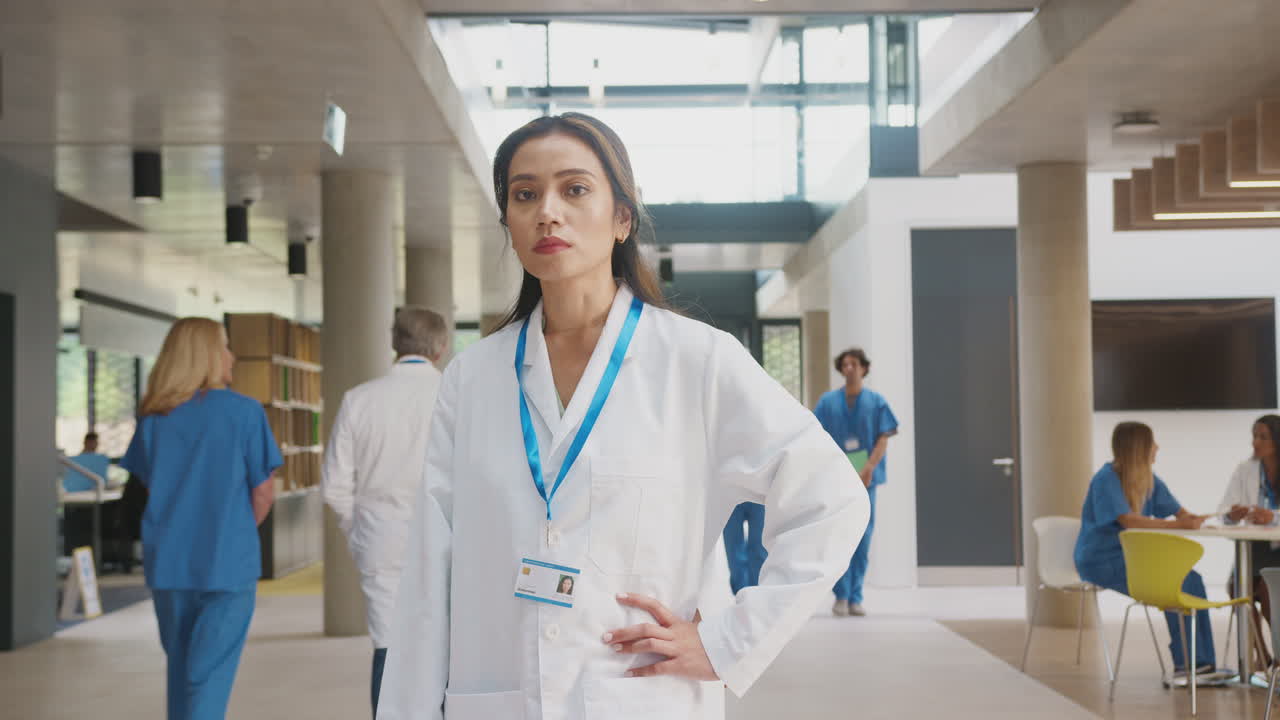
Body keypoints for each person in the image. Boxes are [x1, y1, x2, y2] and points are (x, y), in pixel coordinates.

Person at [376, 113, 869, 720]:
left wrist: (728, 641)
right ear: (509, 223)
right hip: (501, 696)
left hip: (640, 696)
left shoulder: (696, 361)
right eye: (524, 195)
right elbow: (431, 575)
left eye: (574, 189)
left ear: (622, 218)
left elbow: (832, 499)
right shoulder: (471, 379)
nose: (547, 212)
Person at [119, 317, 280, 720]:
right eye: (224, 346)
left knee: (181, 671)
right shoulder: (244, 413)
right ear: (207, 355)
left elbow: (154, 488)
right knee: (207, 678)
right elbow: (263, 492)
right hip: (227, 563)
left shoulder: (153, 419)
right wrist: (235, 530)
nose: (232, 356)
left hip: (170, 564)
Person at [322, 306, 448, 718]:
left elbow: (335, 486)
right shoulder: (454, 394)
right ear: (442, 347)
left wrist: (358, 529)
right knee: (446, 645)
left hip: (379, 538)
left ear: (394, 343)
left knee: (388, 646)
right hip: (446, 537)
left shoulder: (359, 399)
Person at [1075, 421, 1213, 677]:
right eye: (1152, 443)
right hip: (1102, 560)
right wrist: (1178, 525)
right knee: (1173, 582)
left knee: (1192, 580)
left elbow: (1179, 512)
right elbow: (1127, 520)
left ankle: (1204, 662)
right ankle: (1187, 663)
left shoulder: (1149, 480)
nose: (1157, 448)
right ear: (1139, 448)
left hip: (1134, 558)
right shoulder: (1106, 479)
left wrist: (1196, 519)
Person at [812, 348, 898, 617]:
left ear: (864, 368)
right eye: (845, 364)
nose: (849, 368)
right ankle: (840, 595)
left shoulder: (876, 402)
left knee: (862, 539)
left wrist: (869, 467)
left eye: (854, 364)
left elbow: (884, 437)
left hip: (865, 479)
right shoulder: (827, 402)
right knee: (837, 537)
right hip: (837, 478)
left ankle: (855, 597)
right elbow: (816, 436)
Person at [1217, 414, 1280, 664]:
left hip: (1278, 551)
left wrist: (1272, 517)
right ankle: (1262, 656)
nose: (1255, 442)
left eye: (1263, 437)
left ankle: (1278, 657)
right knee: (1237, 590)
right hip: (1253, 549)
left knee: (1268, 593)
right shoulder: (1245, 470)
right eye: (1254, 436)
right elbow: (1223, 510)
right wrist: (1233, 514)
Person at [722, 501, 768, 595]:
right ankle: (741, 595)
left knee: (759, 551)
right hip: (730, 496)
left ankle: (757, 594)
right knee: (734, 554)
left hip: (760, 497)